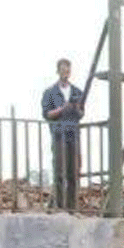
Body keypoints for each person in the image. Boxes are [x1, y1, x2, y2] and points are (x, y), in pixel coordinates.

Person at [43, 58, 85, 210]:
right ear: (58, 71)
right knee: (60, 172)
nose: (65, 73)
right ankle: (60, 206)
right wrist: (62, 109)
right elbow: (47, 114)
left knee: (73, 172)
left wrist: (75, 108)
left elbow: (81, 113)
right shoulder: (50, 92)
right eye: (62, 70)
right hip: (59, 134)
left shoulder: (77, 92)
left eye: (67, 70)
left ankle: (72, 207)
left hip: (73, 135)